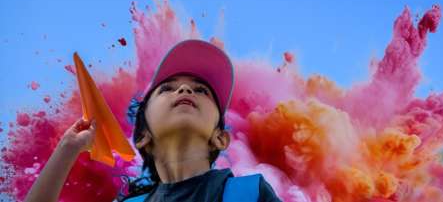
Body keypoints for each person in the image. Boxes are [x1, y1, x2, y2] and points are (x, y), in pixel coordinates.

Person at [24, 39, 282, 202]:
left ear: (220, 137)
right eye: (167, 88)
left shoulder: (249, 193)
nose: (185, 91)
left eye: (201, 90)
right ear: (143, 136)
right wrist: (66, 150)